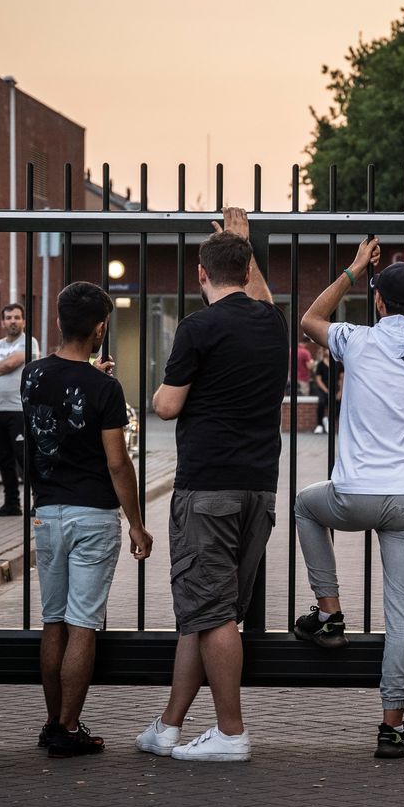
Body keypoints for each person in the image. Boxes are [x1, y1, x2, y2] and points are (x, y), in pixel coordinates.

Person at [293, 243, 404, 759]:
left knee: (306, 506)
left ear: (378, 301)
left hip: (354, 496)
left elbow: (310, 318)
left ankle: (329, 614)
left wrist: (352, 269)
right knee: (403, 615)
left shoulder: (356, 341)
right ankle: (392, 725)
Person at [135, 207, 284, 763]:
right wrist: (244, 244)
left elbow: (168, 406)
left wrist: (154, 396)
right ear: (247, 272)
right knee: (208, 610)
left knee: (212, 612)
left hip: (207, 488)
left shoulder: (197, 328)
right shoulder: (271, 322)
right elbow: (264, 298)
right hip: (258, 488)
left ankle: (230, 731)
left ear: (201, 274)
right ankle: (169, 726)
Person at [22, 282, 153, 758]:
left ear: (58, 322)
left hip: (47, 513)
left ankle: (52, 722)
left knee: (52, 619)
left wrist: (88, 379)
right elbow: (118, 462)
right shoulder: (105, 388)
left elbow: (59, 402)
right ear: (101, 328)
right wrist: (136, 522)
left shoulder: (32, 376)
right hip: (92, 516)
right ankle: (69, 727)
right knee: (83, 624)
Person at [0, 302, 39, 516]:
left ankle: (38, 501)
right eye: (9, 317)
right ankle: (11, 503)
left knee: (25, 458)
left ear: (23, 321)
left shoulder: (29, 342)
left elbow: (12, 364)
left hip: (18, 410)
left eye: (17, 317)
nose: (13, 321)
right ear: (3, 322)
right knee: (3, 460)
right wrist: (2, 366)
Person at [312, 346, 343, 434]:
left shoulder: (339, 364)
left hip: (336, 389)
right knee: (321, 402)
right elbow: (318, 379)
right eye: (326, 349)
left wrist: (340, 392)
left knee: (340, 403)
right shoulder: (320, 364)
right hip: (323, 389)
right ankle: (319, 425)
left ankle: (329, 421)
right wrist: (326, 391)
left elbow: (341, 379)